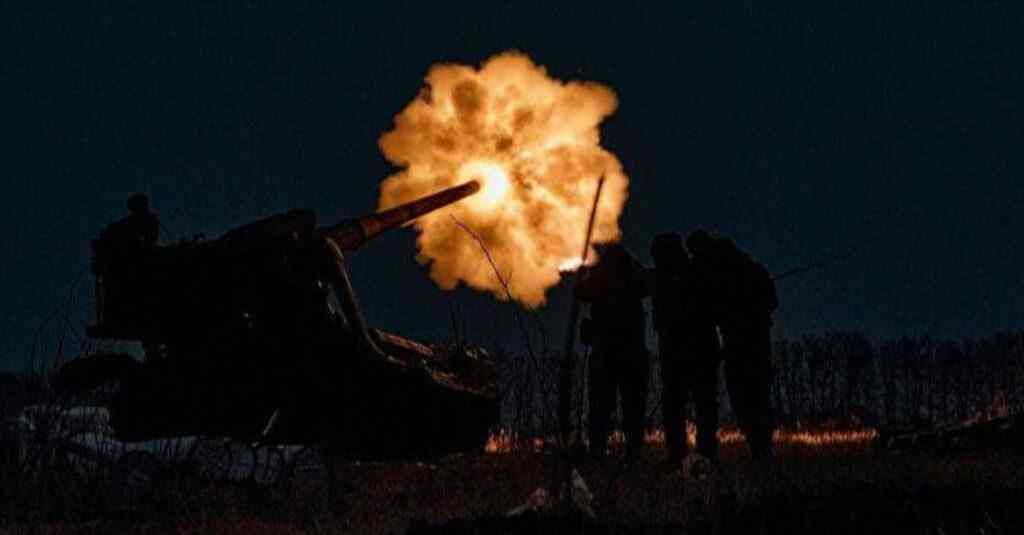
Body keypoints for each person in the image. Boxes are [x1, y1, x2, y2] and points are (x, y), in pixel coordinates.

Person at [686, 229, 778, 463]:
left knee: (750, 397)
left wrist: (740, 311)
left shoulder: (733, 268)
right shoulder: (742, 265)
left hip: (748, 342)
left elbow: (768, 299)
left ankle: (762, 451)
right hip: (742, 342)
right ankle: (761, 451)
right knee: (749, 398)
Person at [650, 232, 721, 467]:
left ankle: (704, 454)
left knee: (701, 404)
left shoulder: (695, 274)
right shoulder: (664, 278)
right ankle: (680, 455)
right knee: (679, 405)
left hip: (697, 351)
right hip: (677, 354)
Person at [575, 243, 650, 461]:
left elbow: (581, 292)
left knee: (603, 407)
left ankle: (601, 451)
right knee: (629, 407)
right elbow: (581, 292)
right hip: (628, 353)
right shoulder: (633, 277)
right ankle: (630, 453)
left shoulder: (602, 279)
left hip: (609, 353)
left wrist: (584, 274)